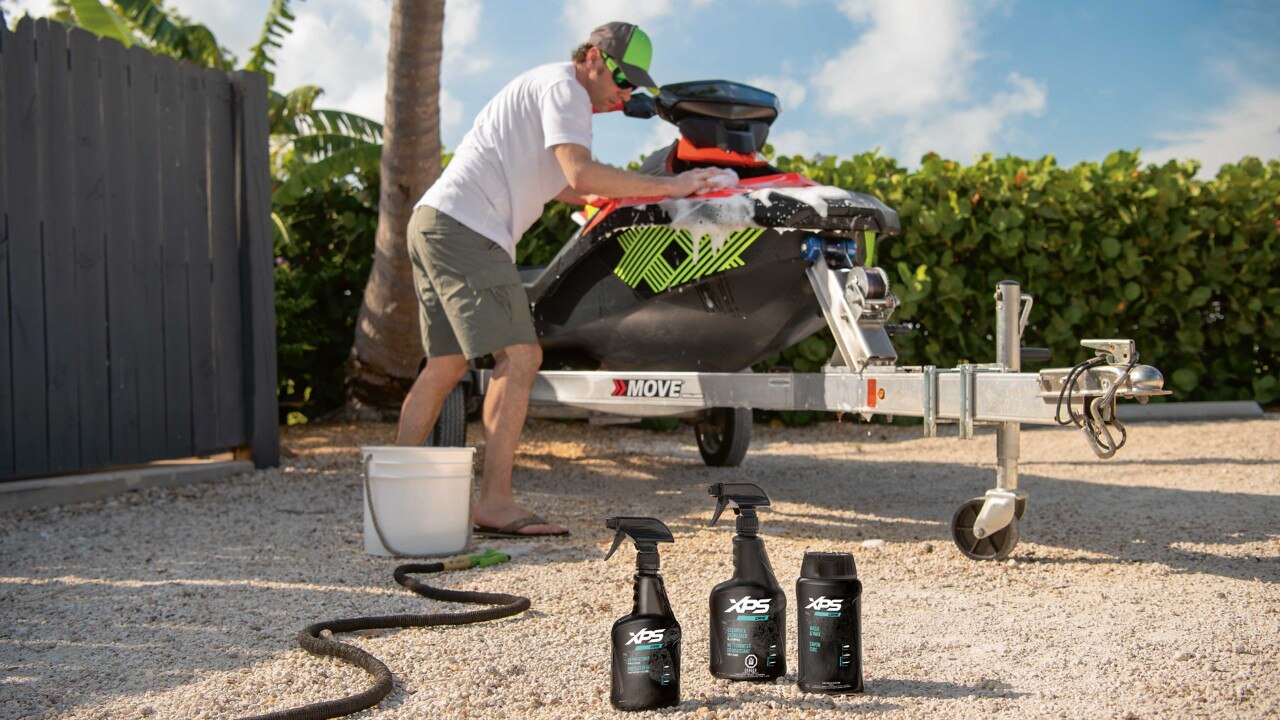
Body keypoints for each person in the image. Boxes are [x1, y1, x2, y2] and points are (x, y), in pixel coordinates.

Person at [396, 22, 724, 537]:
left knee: (444, 366)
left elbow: (568, 187)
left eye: (636, 86)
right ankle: (495, 502)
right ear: (593, 57)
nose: (626, 94)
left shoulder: (549, 93)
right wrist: (672, 184)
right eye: (622, 79)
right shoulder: (564, 88)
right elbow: (581, 174)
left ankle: (395, 498)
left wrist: (626, 194)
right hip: (466, 228)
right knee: (521, 356)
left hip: (434, 222)